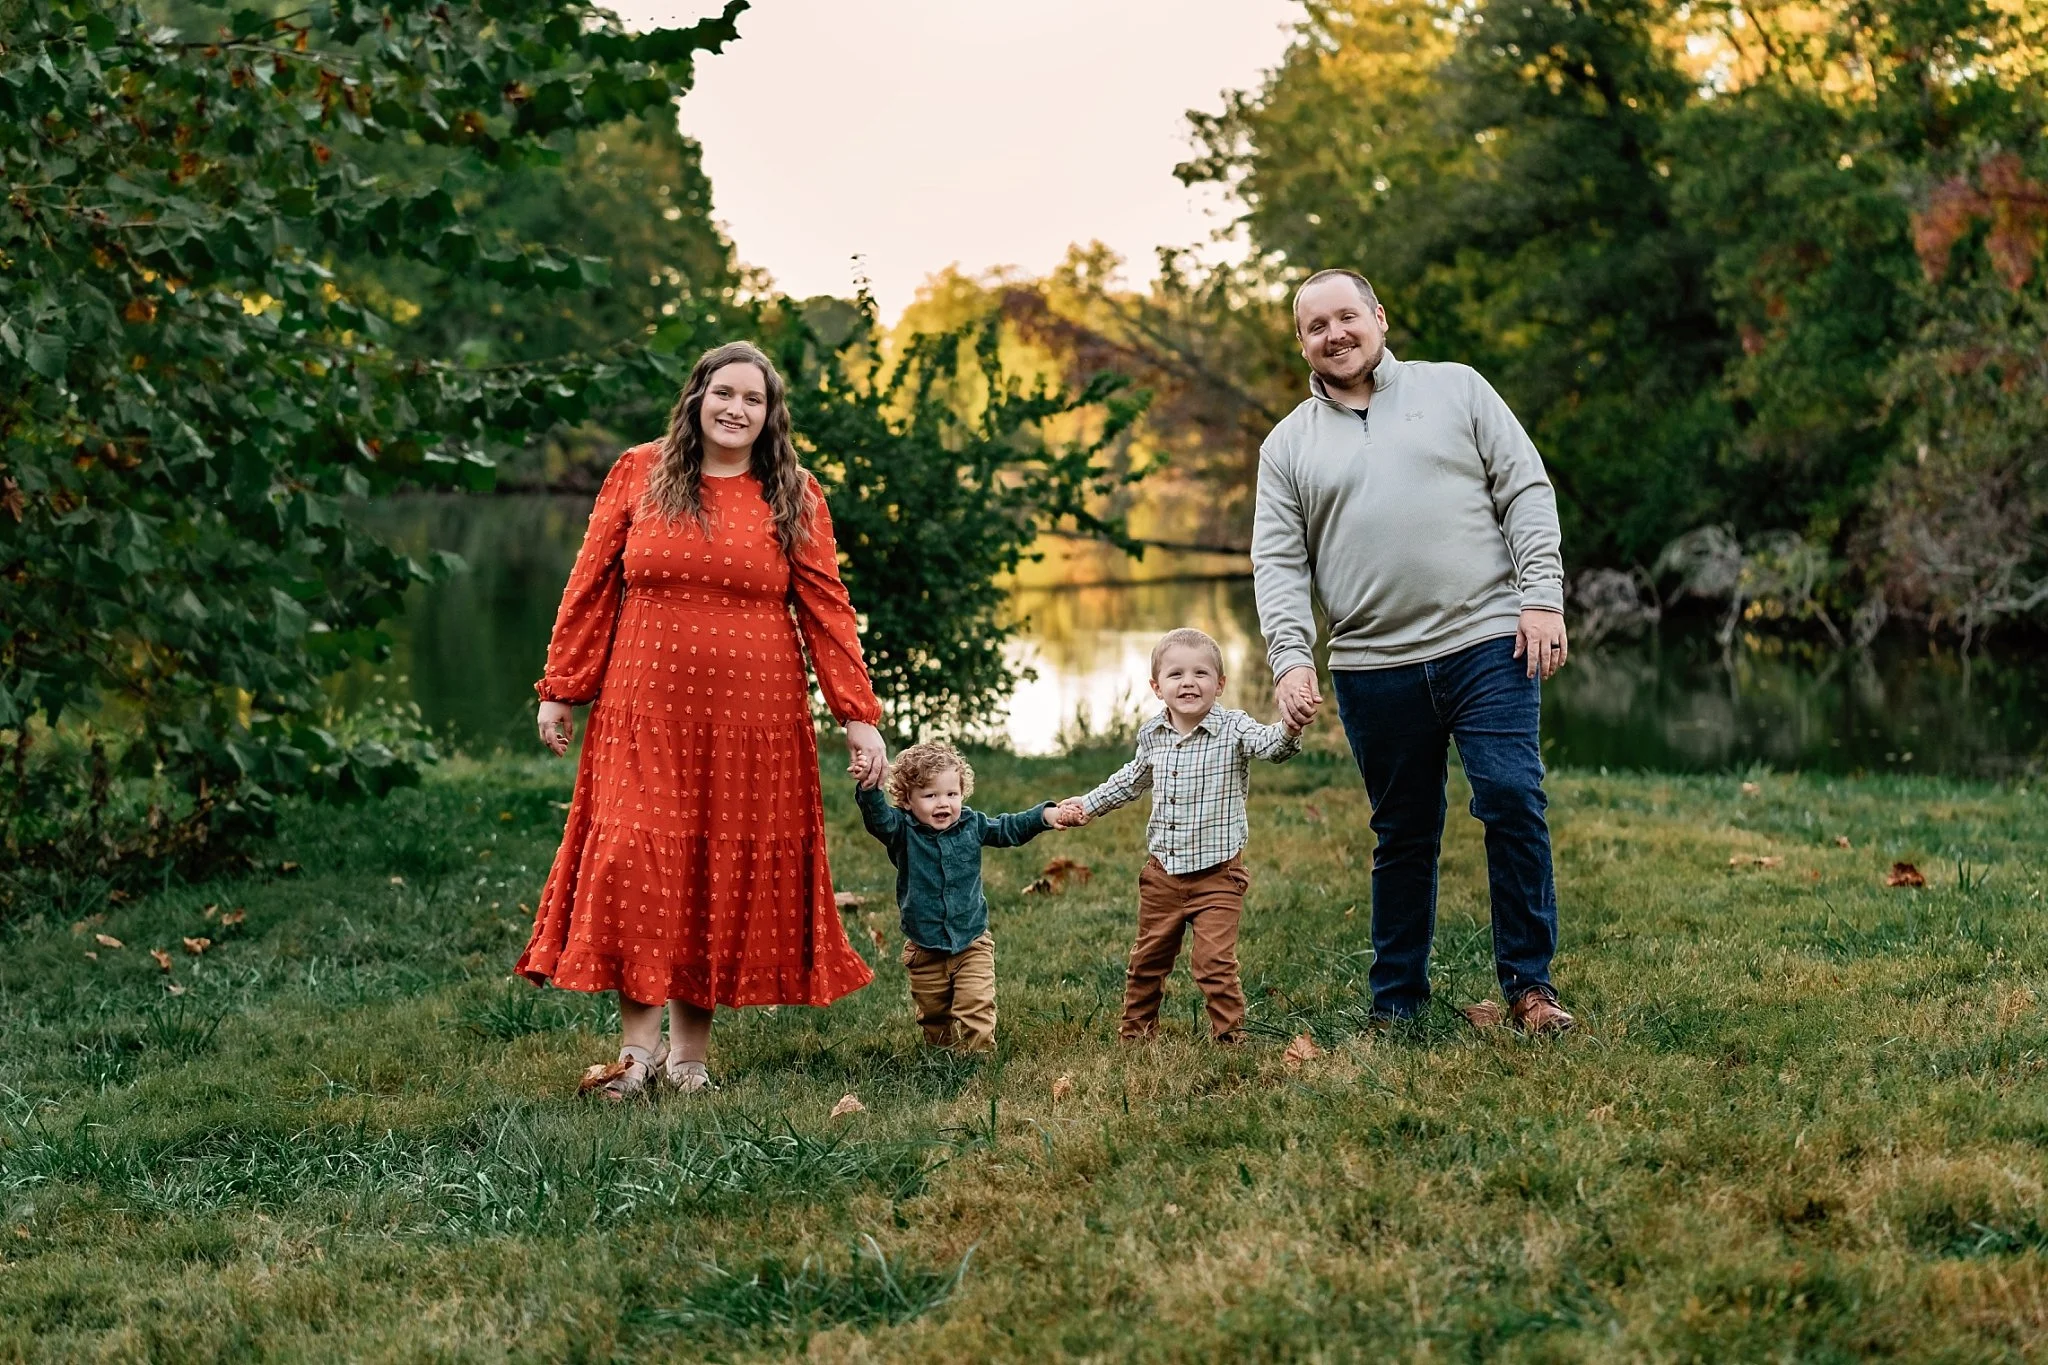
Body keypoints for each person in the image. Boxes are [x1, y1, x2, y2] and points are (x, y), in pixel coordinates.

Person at [517, 340, 890, 1099]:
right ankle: (635, 1054)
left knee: (714, 869)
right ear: (697, 397)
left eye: (754, 400)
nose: (736, 409)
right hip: (643, 706)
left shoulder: (793, 493)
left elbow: (827, 609)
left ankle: (689, 1058)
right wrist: (563, 685)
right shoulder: (639, 472)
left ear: (770, 415)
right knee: (636, 856)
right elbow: (589, 583)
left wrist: (858, 713)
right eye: (725, 392)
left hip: (753, 717)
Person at [1252, 268, 1575, 1032]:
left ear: (1379, 318)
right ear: (1302, 342)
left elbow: (1524, 487)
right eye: (1316, 326)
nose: (1335, 334)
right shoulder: (1287, 445)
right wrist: (1292, 657)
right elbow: (1279, 560)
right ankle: (1397, 1000)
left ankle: (1531, 989)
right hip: (1373, 665)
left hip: (1487, 640)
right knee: (1402, 831)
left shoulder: (1457, 388)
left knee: (1511, 800)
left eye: (1346, 317)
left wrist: (1541, 597)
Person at [1056, 628, 1301, 1044]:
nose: (1189, 682)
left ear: (1220, 684)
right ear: (1157, 687)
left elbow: (1270, 745)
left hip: (1218, 876)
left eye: (1201, 673)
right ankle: (1136, 1033)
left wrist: (1290, 727)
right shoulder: (1153, 734)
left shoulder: (1234, 728)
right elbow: (1130, 781)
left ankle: (1229, 1037)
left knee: (1213, 962)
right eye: (1176, 675)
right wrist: (1087, 805)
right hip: (1163, 876)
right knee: (1148, 959)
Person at [856, 741, 1081, 1052]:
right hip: (925, 945)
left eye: (951, 794)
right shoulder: (902, 831)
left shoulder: (971, 825)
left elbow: (1008, 828)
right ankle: (941, 1058)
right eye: (930, 795)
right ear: (907, 801)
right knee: (933, 1014)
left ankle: (980, 1057)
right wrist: (869, 790)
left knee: (976, 1003)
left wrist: (1045, 815)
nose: (943, 804)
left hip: (971, 940)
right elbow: (877, 819)